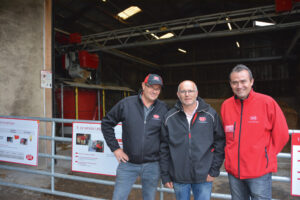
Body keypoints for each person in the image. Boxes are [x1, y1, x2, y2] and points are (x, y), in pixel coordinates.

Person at [221, 64, 289, 200]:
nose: (239, 86)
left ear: (251, 82)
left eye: (243, 81)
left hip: (259, 172)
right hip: (235, 173)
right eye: (235, 82)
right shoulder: (226, 106)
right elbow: (224, 135)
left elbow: (282, 134)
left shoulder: (267, 103)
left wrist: (266, 155)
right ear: (230, 84)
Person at [101, 74, 168, 200]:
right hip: (128, 164)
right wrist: (116, 149)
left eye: (158, 88)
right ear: (143, 85)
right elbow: (106, 123)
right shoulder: (127, 104)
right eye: (151, 86)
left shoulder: (163, 109)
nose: (154, 91)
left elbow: (168, 136)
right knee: (118, 197)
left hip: (152, 165)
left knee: (149, 197)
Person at [160, 80, 225, 200]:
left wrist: (214, 170)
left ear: (196, 93)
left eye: (190, 91)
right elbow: (164, 148)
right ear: (178, 94)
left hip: (204, 176)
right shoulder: (169, 117)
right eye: (183, 91)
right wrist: (165, 175)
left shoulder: (210, 114)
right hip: (179, 177)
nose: (187, 94)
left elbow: (220, 142)